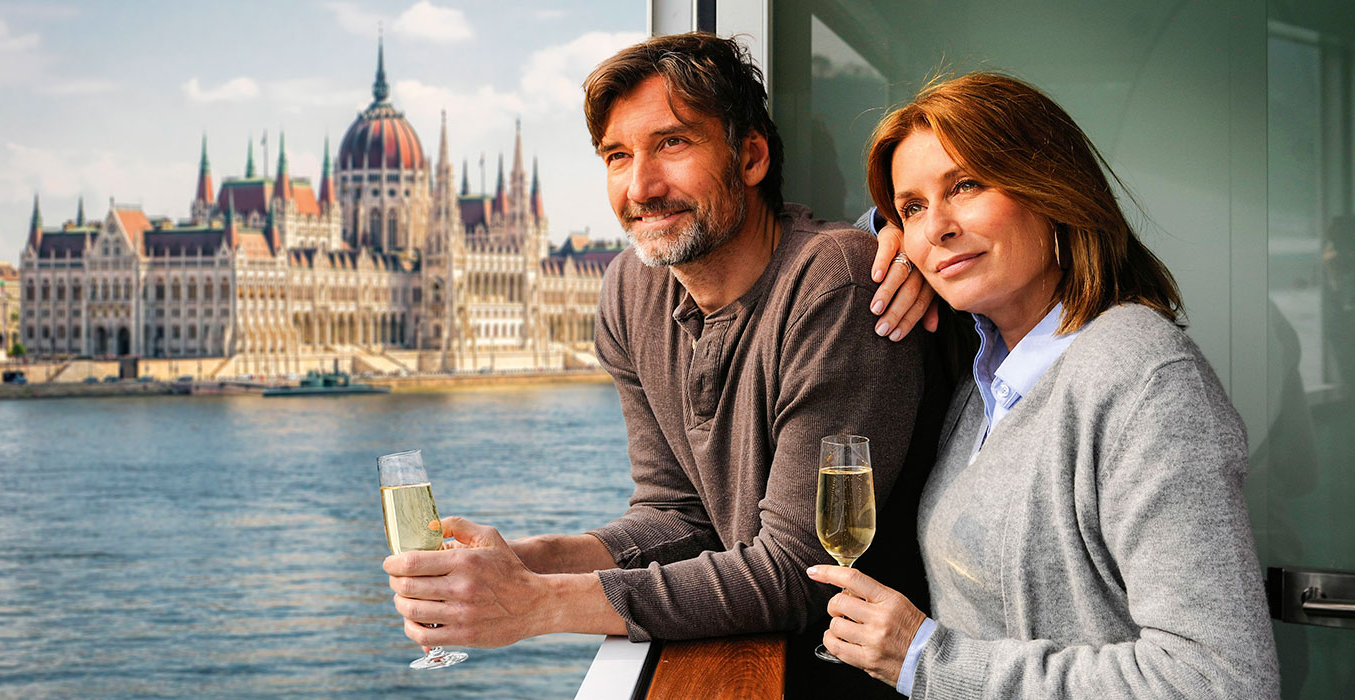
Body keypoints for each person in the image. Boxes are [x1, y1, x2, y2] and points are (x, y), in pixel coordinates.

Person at [383, 32, 943, 689]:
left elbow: (800, 571)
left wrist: (537, 604)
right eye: (617, 156)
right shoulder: (630, 289)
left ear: (751, 156)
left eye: (672, 144)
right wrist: (528, 560)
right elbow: (677, 516)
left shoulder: (835, 283)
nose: (641, 186)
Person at [807, 72, 1280, 698]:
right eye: (913, 206)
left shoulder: (1141, 375)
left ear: (1049, 187)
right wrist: (887, 233)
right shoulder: (986, 375)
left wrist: (927, 660)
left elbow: (1221, 681)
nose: (936, 227)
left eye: (966, 185)